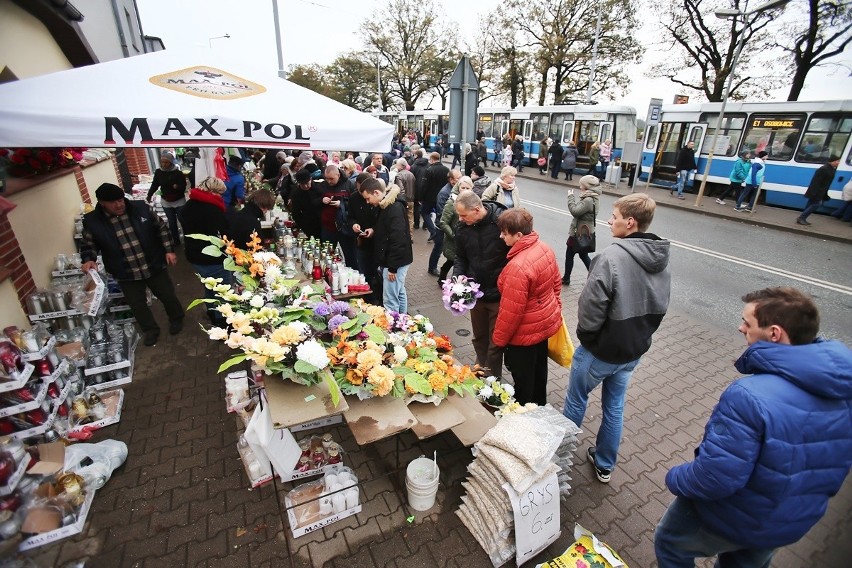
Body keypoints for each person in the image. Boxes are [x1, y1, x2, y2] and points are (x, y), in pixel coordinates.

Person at [655, 287, 852, 568]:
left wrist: (675, 477)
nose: (740, 327)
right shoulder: (844, 389)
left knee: (670, 544)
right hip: (788, 521)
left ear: (774, 333)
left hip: (733, 516)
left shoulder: (749, 396)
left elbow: (715, 477)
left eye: (747, 323)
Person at [562, 193, 671, 483]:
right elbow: (661, 305)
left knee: (575, 400)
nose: (610, 221)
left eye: (615, 216)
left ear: (630, 222)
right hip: (632, 351)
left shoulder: (610, 257)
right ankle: (604, 463)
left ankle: (558, 458)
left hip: (600, 351)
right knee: (614, 407)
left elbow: (590, 308)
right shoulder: (661, 257)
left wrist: (588, 339)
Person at [82, 183, 184, 347]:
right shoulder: (93, 222)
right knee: (137, 305)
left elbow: (162, 228)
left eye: (120, 199)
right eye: (113, 202)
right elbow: (88, 244)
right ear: (102, 203)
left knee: (167, 294)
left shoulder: (141, 209)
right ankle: (150, 330)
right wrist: (88, 258)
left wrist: (169, 250)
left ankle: (177, 318)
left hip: (152, 263)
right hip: (125, 271)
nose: (119, 204)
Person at [492, 208, 563, 406]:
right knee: (539, 373)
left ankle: (525, 419)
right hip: (542, 327)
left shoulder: (518, 267)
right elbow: (556, 283)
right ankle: (540, 407)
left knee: (523, 383)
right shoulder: (544, 248)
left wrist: (499, 341)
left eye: (505, 233)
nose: (501, 236)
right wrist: (555, 308)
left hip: (523, 335)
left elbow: (511, 313)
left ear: (519, 235)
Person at [454, 190, 510, 378]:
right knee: (479, 337)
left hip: (498, 294)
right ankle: (481, 368)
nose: (460, 219)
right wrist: (458, 277)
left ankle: (492, 380)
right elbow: (460, 257)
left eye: (463, 215)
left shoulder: (502, 223)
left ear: (477, 210)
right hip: (475, 294)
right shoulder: (462, 228)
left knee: (495, 342)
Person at [179, 177, 230, 326]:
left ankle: (211, 311)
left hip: (194, 256)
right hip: (212, 258)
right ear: (213, 192)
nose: (221, 197)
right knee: (222, 291)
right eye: (220, 193)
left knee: (209, 286)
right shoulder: (212, 209)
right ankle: (222, 322)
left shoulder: (188, 206)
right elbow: (222, 233)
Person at [359, 178, 412, 313]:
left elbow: (398, 239)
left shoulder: (393, 207)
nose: (367, 202)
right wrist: (374, 230)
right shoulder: (386, 205)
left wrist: (392, 268)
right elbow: (387, 228)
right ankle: (403, 320)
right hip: (395, 260)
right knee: (398, 292)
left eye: (368, 198)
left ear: (376, 192)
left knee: (390, 299)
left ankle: (393, 328)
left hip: (394, 262)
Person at [563, 175, 600, 286]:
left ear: (586, 187)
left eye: (581, 185)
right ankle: (595, 279)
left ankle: (566, 278)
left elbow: (575, 211)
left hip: (579, 232)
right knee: (583, 255)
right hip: (586, 231)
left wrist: (570, 197)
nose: (580, 187)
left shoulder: (588, 200)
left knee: (570, 254)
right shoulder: (594, 196)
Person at [146, 151, 188, 245]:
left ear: (171, 162)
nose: (164, 164)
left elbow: (183, 187)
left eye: (166, 162)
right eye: (162, 162)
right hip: (166, 201)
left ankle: (187, 239)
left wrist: (178, 187)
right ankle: (176, 241)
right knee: (172, 222)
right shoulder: (158, 172)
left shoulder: (178, 173)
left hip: (179, 201)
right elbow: (155, 184)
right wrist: (149, 195)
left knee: (183, 221)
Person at [437, 174, 471, 284]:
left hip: (466, 239)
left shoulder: (473, 201)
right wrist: (453, 236)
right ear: (458, 187)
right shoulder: (452, 202)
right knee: (452, 261)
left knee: (460, 262)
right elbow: (443, 222)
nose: (465, 190)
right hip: (454, 240)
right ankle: (444, 280)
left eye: (468, 188)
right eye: (463, 187)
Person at [797, 155, 840, 226]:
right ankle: (801, 218)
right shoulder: (824, 169)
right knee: (817, 204)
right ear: (832, 161)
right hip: (817, 191)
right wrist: (813, 192)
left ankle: (802, 218)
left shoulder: (831, 169)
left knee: (810, 204)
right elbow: (815, 181)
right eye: (837, 161)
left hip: (821, 191)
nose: (838, 163)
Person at [289, 168, 322, 239]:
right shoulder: (296, 193)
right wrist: (303, 225)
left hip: (322, 223)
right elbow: (295, 213)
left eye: (307, 183)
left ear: (311, 179)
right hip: (308, 224)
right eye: (302, 184)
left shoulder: (319, 188)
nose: (305, 186)